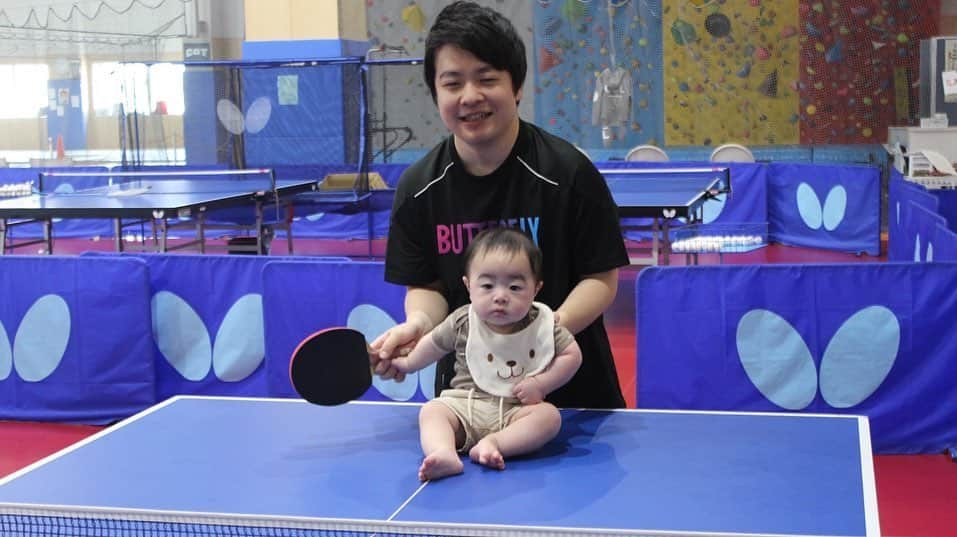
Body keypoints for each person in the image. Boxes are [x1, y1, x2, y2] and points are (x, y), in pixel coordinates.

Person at [370, 0, 629, 410]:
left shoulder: (569, 173)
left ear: (517, 86)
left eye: (486, 79)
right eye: (453, 83)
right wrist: (419, 324)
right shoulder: (419, 188)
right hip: (470, 401)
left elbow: (601, 279)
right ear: (436, 93)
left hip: (573, 399)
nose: (470, 96)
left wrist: (540, 331)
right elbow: (427, 286)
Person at [384, 228, 582, 481]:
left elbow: (571, 355)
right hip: (463, 405)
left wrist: (541, 384)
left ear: (536, 289)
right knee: (433, 411)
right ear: (468, 286)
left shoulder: (544, 324)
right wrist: (407, 364)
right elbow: (432, 345)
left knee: (549, 417)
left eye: (515, 287)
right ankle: (443, 453)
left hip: (515, 411)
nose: (500, 296)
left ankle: (495, 443)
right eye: (487, 285)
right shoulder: (462, 321)